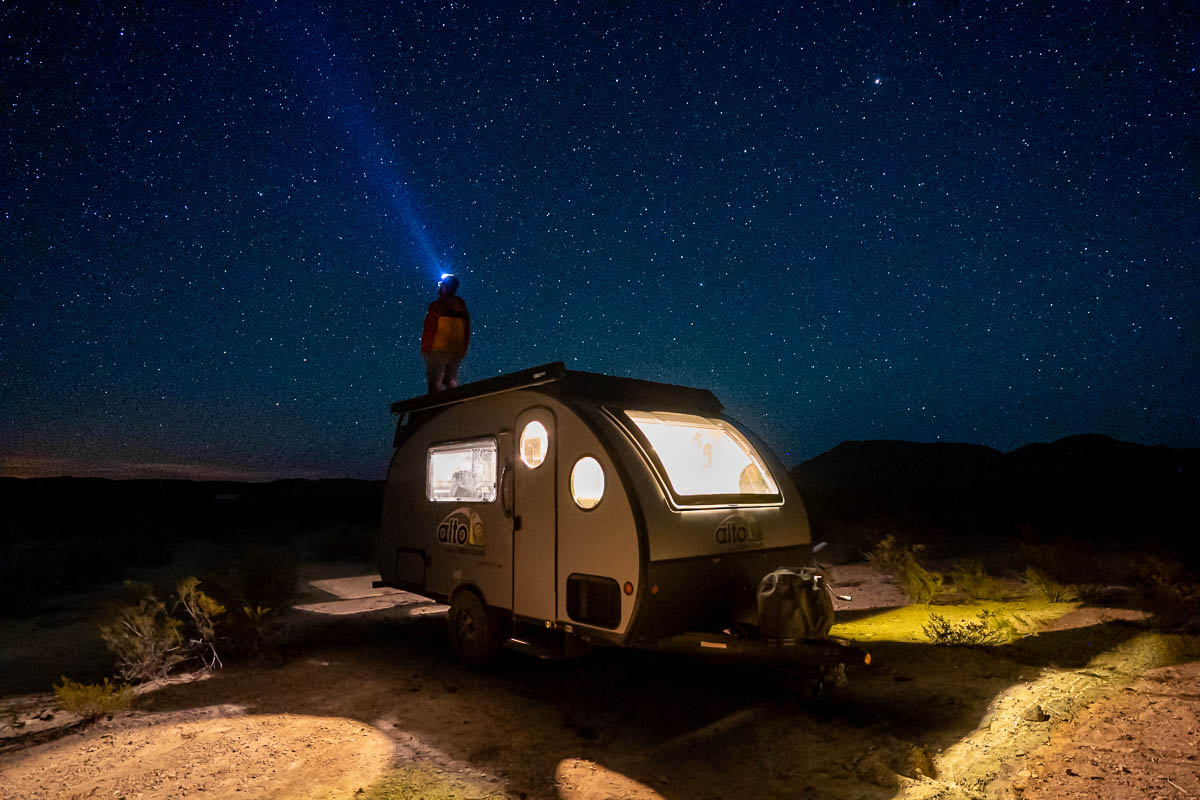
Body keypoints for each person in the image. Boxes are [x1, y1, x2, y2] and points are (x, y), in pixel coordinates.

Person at [421, 273, 470, 393]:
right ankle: (453, 406)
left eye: (441, 285)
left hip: (438, 348)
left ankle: (435, 408)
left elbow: (430, 327)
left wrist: (425, 347)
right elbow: (466, 329)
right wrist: (463, 350)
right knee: (451, 381)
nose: (439, 287)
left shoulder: (436, 306)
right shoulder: (461, 307)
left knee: (434, 382)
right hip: (456, 350)